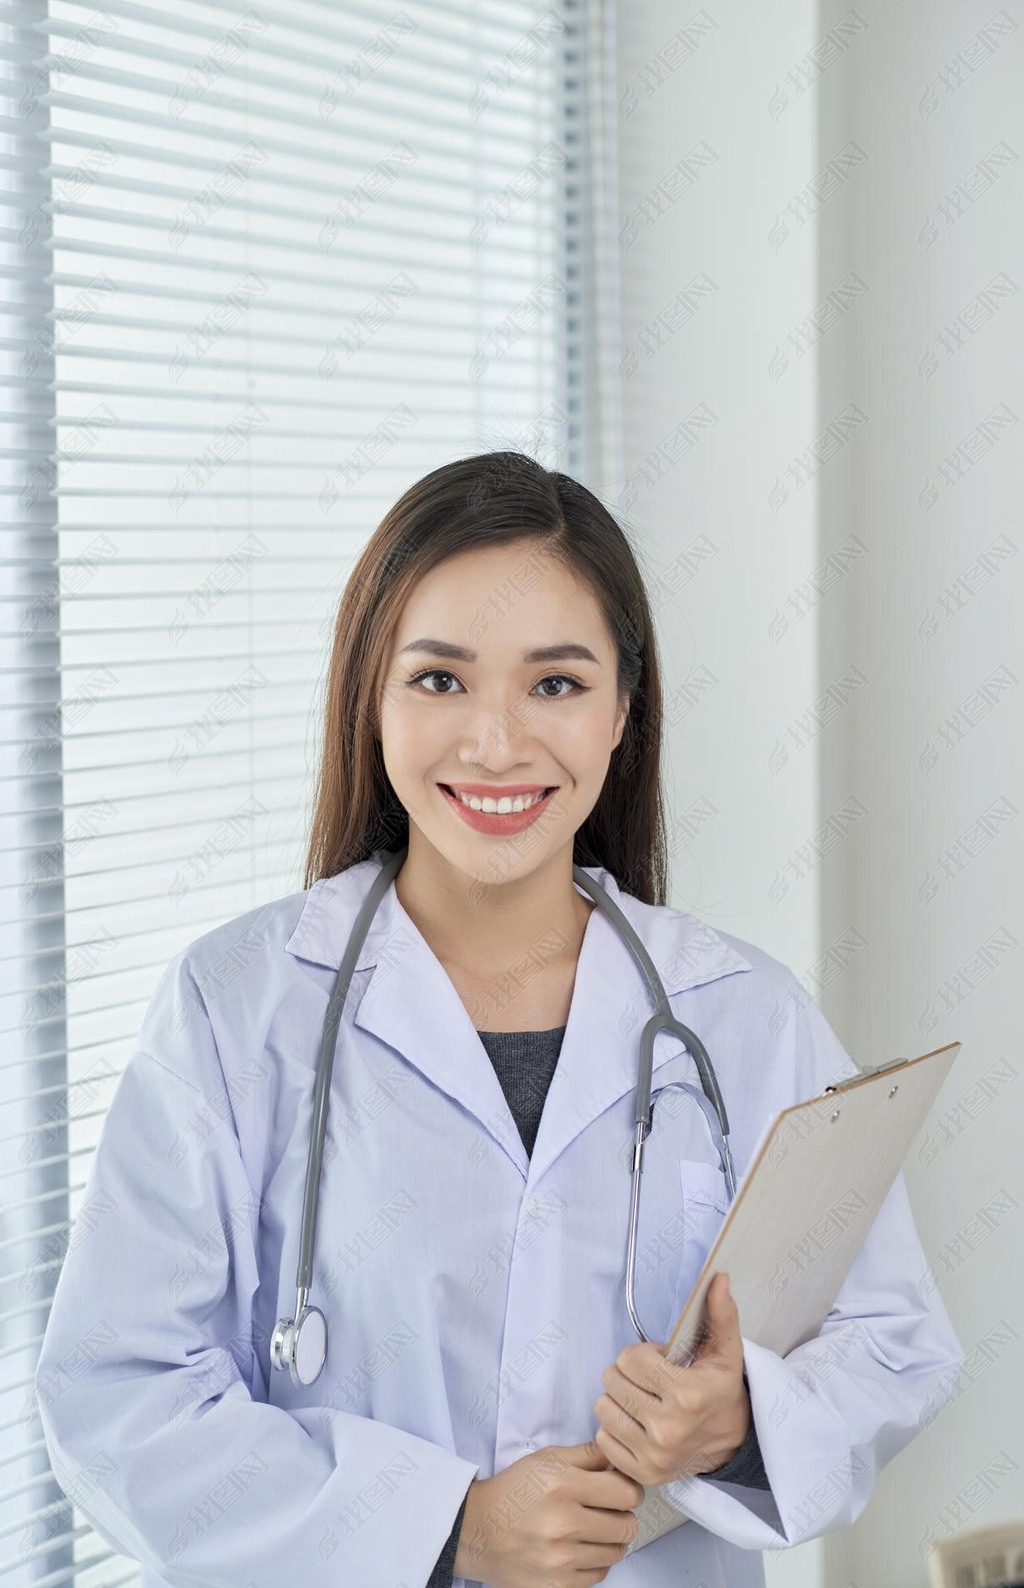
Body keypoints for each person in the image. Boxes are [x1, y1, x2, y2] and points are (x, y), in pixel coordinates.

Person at [35, 452, 965, 1588]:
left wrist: (738, 1423)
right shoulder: (237, 1007)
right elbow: (116, 1394)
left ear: (624, 709)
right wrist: (444, 1524)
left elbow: (892, 1341)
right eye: (440, 681)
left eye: (555, 684)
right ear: (369, 698)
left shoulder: (741, 1015)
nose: (495, 743)